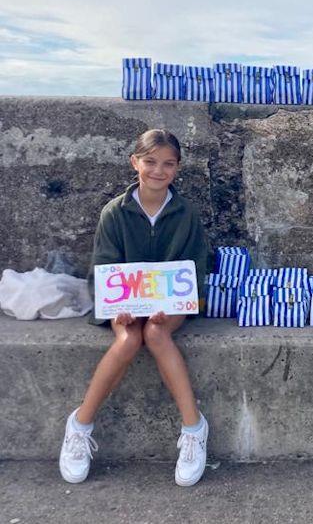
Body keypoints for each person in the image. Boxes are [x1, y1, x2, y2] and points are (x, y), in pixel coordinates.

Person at [59, 129, 210, 486]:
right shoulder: (114, 212)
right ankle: (79, 425)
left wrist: (171, 305)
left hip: (168, 304)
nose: (159, 170)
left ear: (177, 168)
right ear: (135, 162)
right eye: (150, 161)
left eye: (168, 164)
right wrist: (119, 309)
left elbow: (194, 269)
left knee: (156, 333)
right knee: (128, 339)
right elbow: (104, 269)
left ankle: (193, 428)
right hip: (125, 304)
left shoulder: (186, 213)